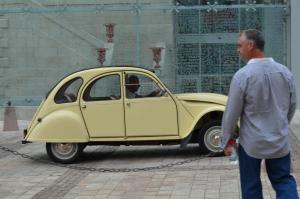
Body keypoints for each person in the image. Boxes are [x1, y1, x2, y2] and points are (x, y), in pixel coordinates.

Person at [221, 29, 299, 199]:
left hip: (251, 143)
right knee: (284, 181)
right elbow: (292, 105)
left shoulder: (242, 76)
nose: (237, 49)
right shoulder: (284, 72)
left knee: (251, 186)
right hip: (279, 141)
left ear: (251, 45)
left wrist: (226, 140)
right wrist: (281, 124)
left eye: (239, 45)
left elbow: (231, 113)